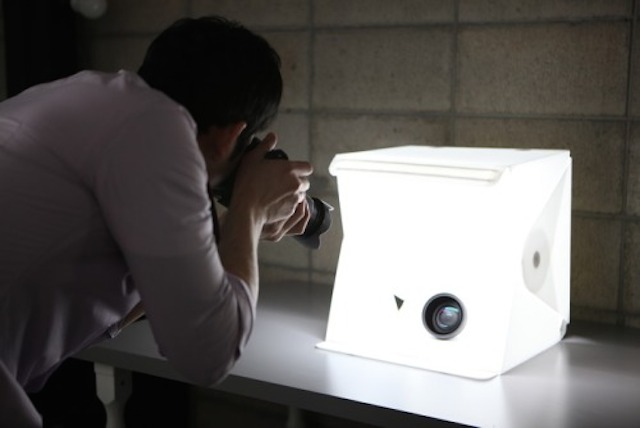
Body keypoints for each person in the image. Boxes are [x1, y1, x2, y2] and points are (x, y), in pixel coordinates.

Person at [0, 16, 313, 427]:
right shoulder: (162, 129)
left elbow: (159, 289)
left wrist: (229, 228)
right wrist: (249, 210)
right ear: (231, 136)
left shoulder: (86, 95)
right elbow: (208, 354)